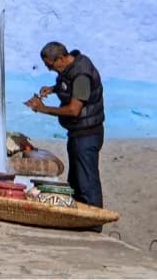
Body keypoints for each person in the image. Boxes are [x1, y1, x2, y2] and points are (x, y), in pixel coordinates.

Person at [24, 41, 105, 209]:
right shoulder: (69, 68)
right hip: (77, 133)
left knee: (87, 183)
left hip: (87, 135)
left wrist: (43, 109)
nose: (49, 69)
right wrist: (53, 89)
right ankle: (80, 218)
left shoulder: (82, 75)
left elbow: (74, 110)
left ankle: (94, 222)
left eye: (50, 65)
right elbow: (69, 85)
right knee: (76, 181)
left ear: (61, 58)